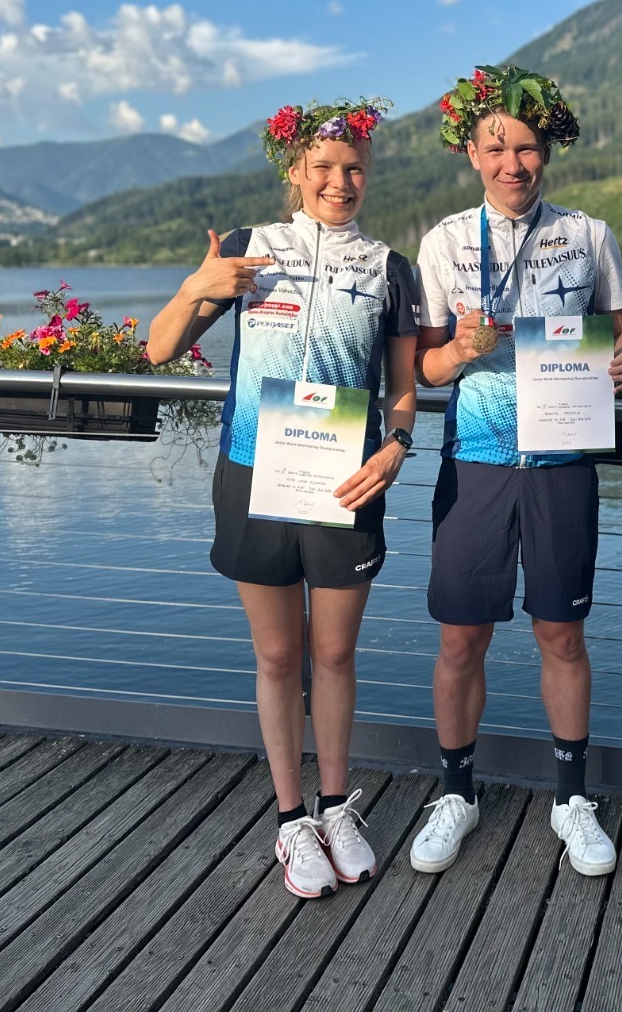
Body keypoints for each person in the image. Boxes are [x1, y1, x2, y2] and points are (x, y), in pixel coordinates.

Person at [147, 98, 419, 899]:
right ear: (295, 171)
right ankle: (292, 818)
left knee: (333, 654)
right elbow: (159, 348)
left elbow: (402, 389)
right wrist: (198, 285)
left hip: (346, 478)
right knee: (276, 655)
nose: (341, 181)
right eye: (324, 167)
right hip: (253, 474)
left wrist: (397, 447)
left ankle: (336, 808)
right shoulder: (247, 249)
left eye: (355, 169)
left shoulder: (389, 268)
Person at [408, 65, 622, 877]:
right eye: (497, 148)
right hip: (475, 461)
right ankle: (457, 795)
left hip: (561, 461)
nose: (513, 164)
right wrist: (457, 351)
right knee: (460, 640)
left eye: (527, 148)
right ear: (472, 155)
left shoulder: (588, 235)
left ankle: (571, 801)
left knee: (562, 634)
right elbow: (423, 369)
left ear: (546, 152)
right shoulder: (443, 242)